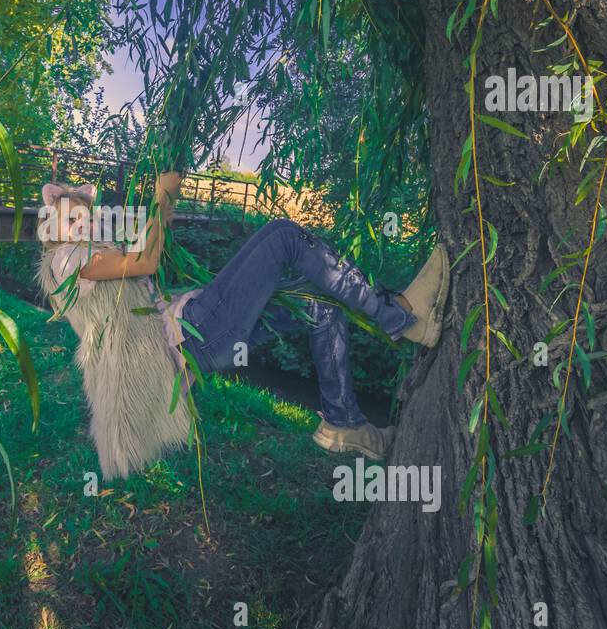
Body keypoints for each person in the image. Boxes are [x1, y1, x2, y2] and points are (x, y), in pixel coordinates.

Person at [35, 172, 448, 480]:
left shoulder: (93, 256)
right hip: (195, 334)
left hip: (197, 335)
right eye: (71, 222)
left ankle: (345, 422)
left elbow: (142, 256)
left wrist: (164, 208)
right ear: (51, 233)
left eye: (85, 217)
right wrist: (162, 195)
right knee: (283, 235)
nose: (82, 225)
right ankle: (400, 315)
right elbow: (144, 261)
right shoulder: (67, 260)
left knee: (320, 308)